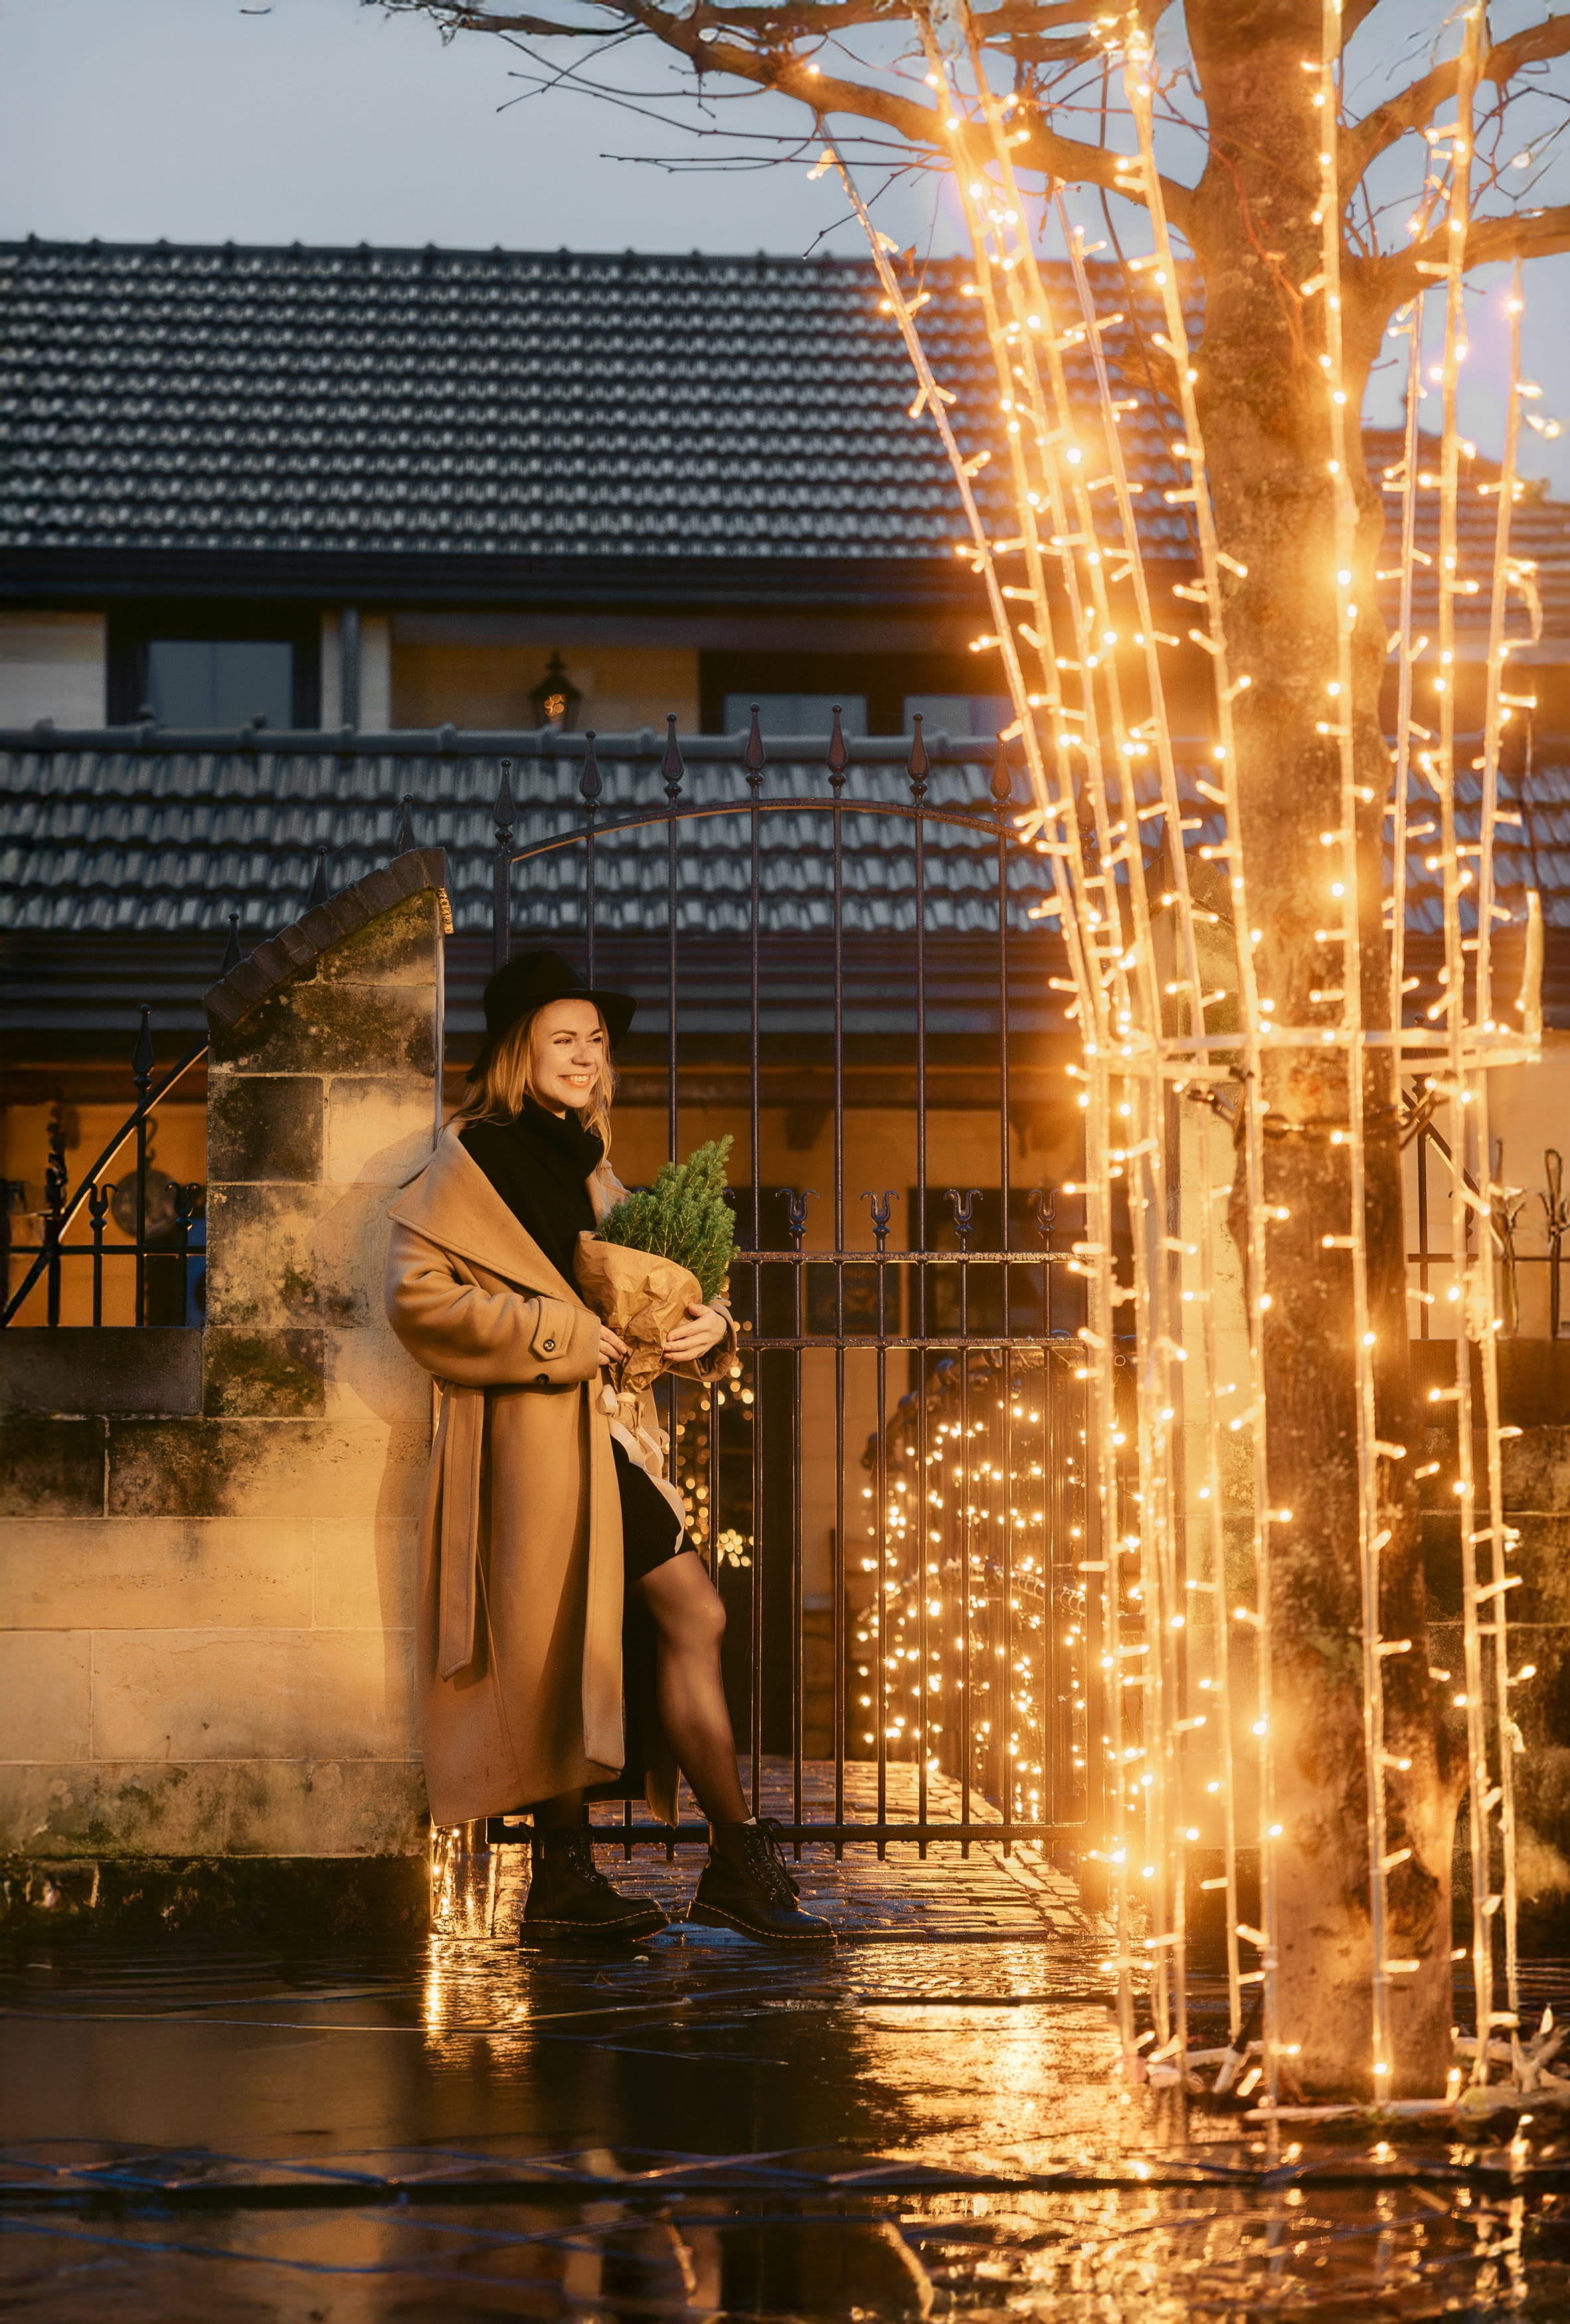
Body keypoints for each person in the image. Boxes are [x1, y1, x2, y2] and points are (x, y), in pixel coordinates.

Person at [385, 948, 831, 1945]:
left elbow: (648, 1280)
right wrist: (553, 1337)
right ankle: (588, 1876)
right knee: (565, 1642)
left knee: (681, 1616)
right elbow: (416, 1303)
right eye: (564, 1040)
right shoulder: (468, 1159)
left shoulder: (587, 1161)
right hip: (528, 1445)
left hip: (604, 1439)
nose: (587, 1057)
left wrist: (711, 1326)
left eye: (596, 1041)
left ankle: (715, 1861)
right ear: (518, 1050)